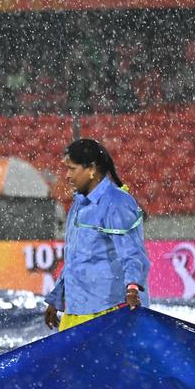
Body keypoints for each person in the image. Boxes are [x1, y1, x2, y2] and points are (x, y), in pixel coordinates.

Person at [43, 138, 149, 332]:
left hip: (109, 310)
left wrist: (132, 287)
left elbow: (132, 253)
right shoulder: (79, 204)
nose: (67, 175)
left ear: (91, 169)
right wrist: (57, 299)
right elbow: (76, 259)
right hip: (76, 312)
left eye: (72, 169)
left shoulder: (117, 203)